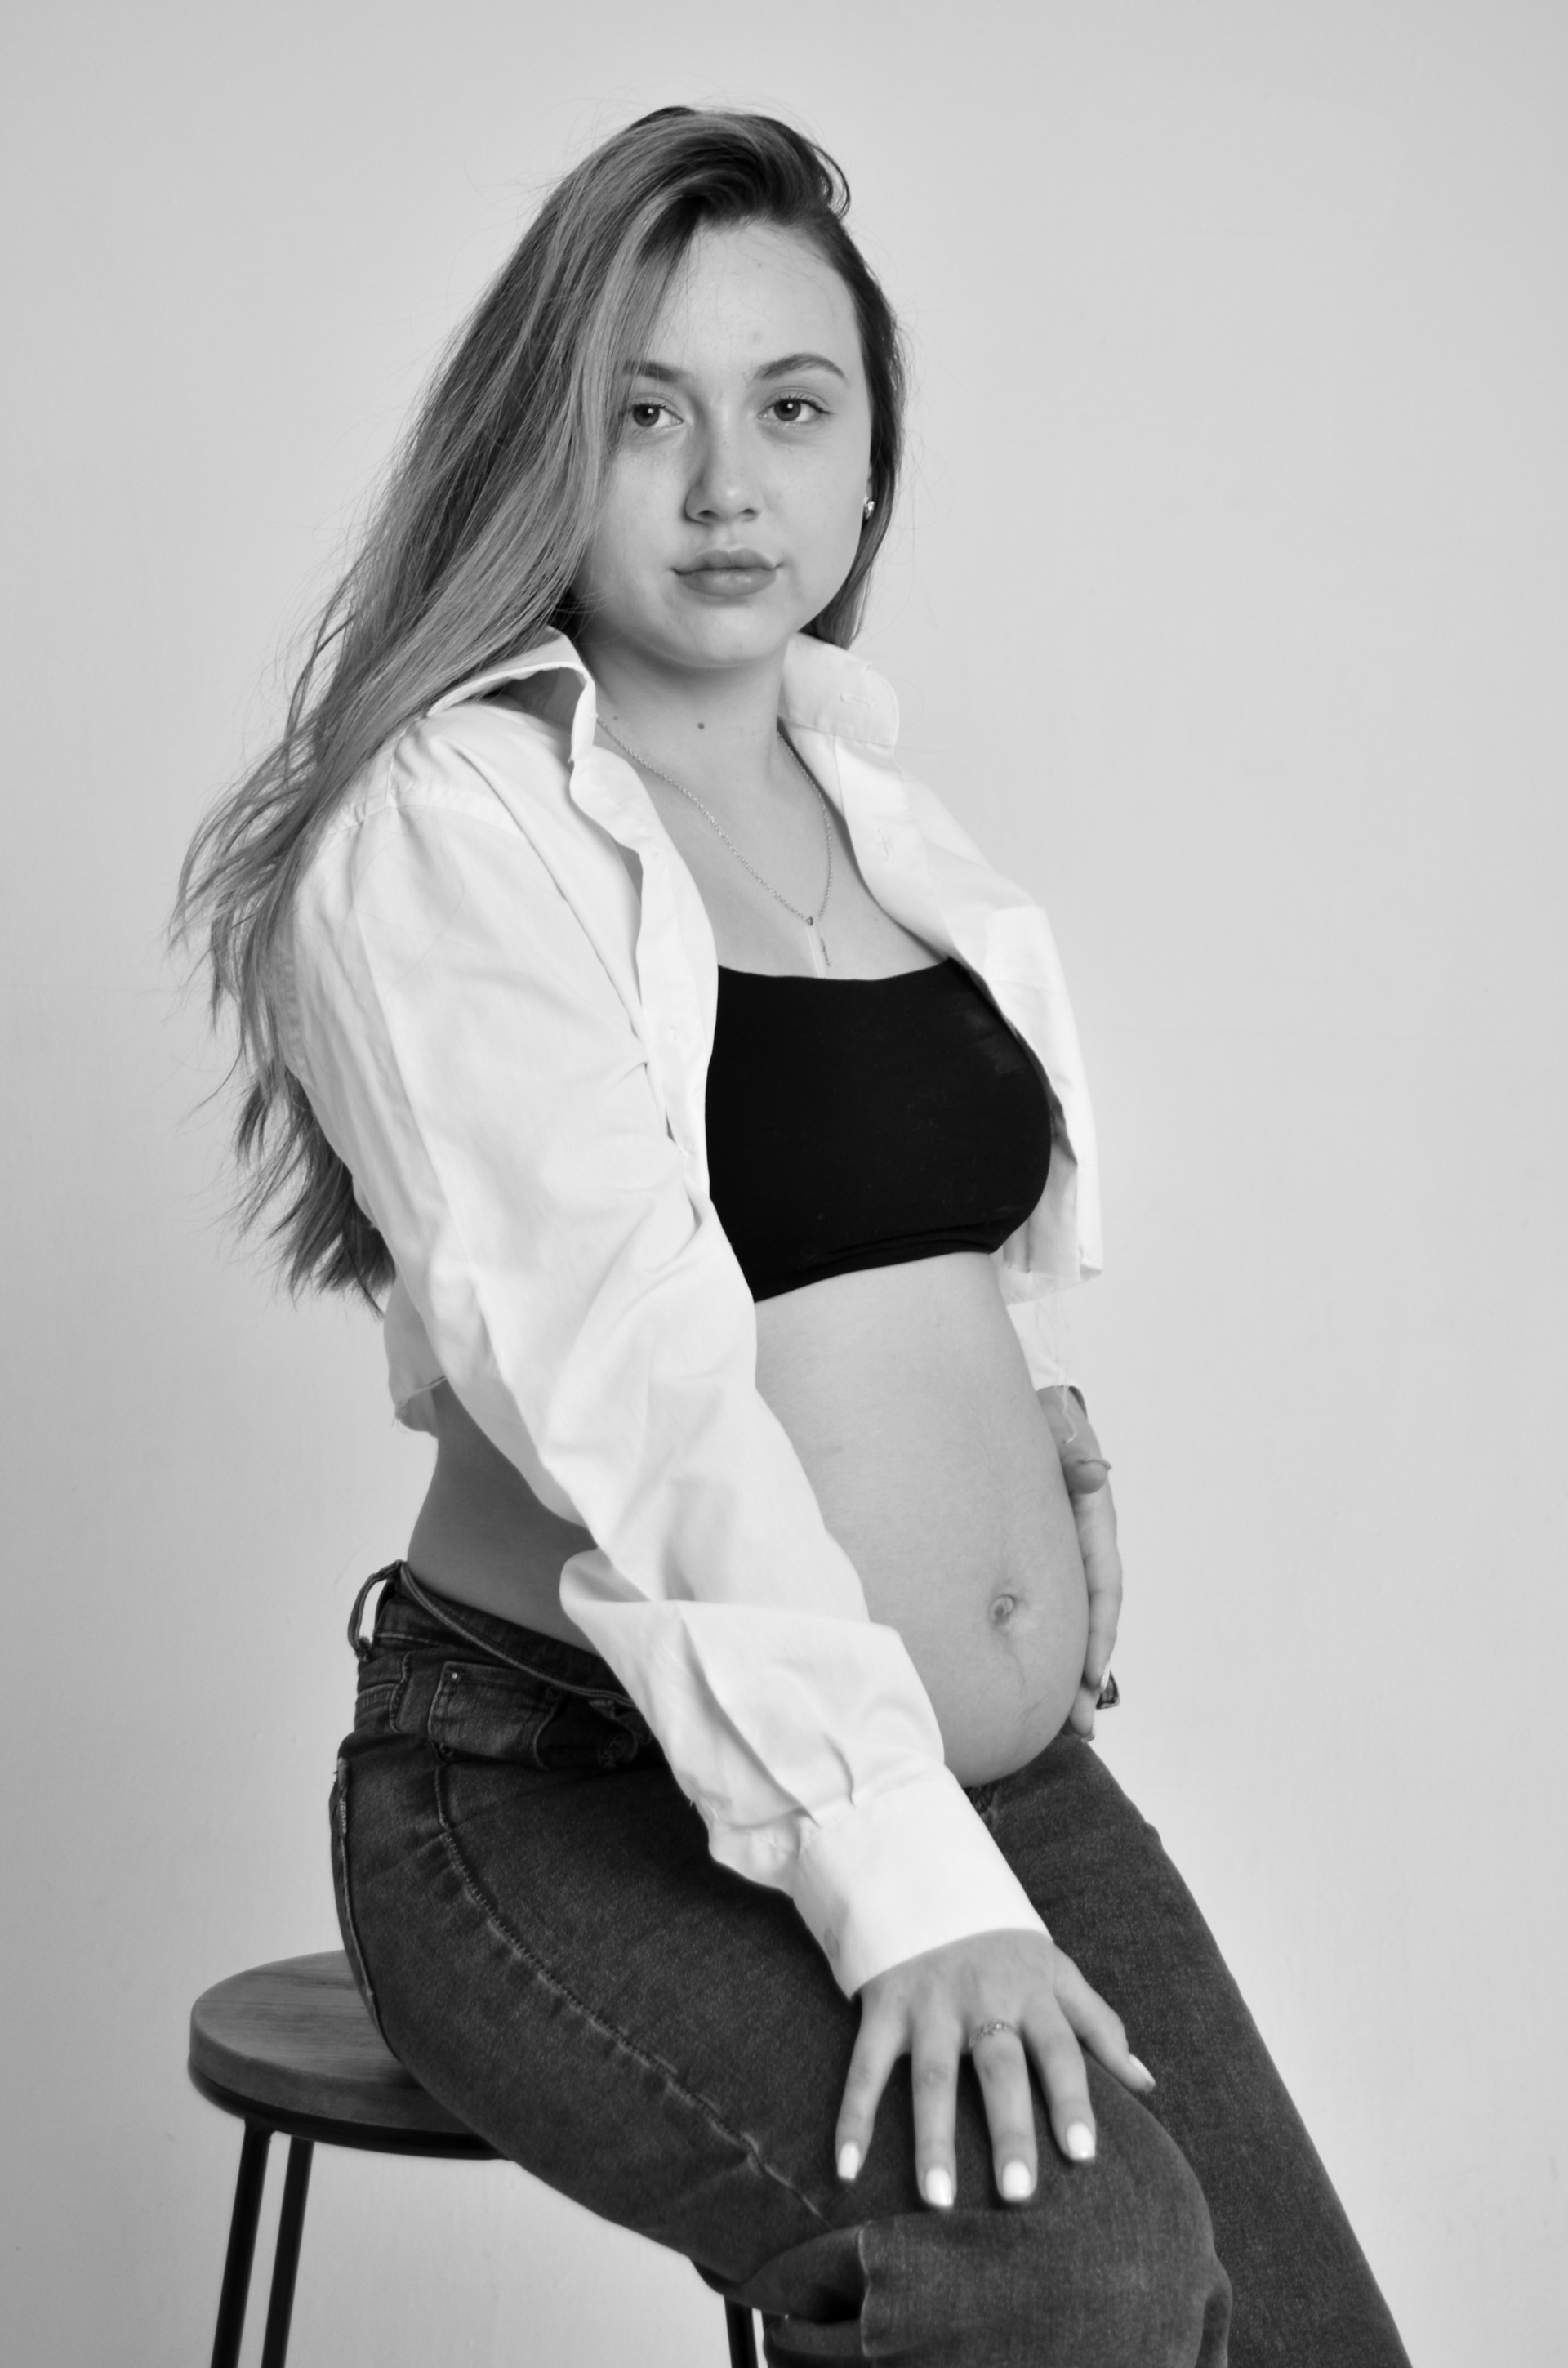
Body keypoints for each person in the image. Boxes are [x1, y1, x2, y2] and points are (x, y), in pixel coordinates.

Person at [178, 106, 1410, 2368]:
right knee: (1076, 2268)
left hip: (968, 1763)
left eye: (792, 408)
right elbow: (636, 1387)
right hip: (566, 1785)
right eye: (647, 413)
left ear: (869, 472)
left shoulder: (875, 808)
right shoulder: (449, 826)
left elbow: (871, 1253)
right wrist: (913, 1890)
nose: (727, 484)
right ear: (546, 450)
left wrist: (1014, 1454)